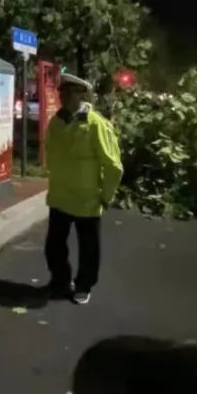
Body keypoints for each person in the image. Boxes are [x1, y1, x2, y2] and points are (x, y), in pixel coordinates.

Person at [44, 72, 123, 305]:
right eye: (61, 92)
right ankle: (60, 281)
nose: (63, 97)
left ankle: (83, 285)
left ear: (81, 94)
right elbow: (50, 152)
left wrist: (106, 196)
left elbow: (113, 166)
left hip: (86, 199)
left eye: (69, 92)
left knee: (89, 248)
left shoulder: (96, 124)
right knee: (53, 247)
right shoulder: (56, 122)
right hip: (59, 197)